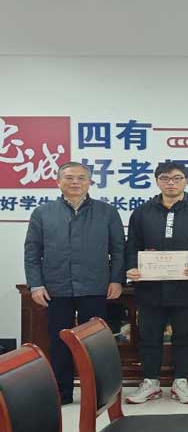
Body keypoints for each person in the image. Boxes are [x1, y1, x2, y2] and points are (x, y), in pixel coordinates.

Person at [24, 161, 125, 405]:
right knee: (59, 342)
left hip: (95, 287)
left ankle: (99, 393)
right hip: (56, 288)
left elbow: (118, 250)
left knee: (95, 343)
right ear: (58, 182)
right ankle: (63, 392)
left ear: (90, 182)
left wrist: (116, 279)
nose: (75, 182)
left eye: (81, 178)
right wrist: (35, 284)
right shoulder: (43, 212)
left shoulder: (107, 212)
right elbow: (32, 252)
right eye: (69, 178)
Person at [124, 162, 188, 404]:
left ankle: (181, 381)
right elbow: (132, 245)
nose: (171, 183)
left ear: (185, 181)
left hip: (186, 286)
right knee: (149, 336)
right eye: (165, 178)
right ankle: (151, 382)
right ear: (157, 181)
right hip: (150, 287)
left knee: (185, 336)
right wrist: (132, 267)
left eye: (177, 178)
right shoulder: (142, 212)